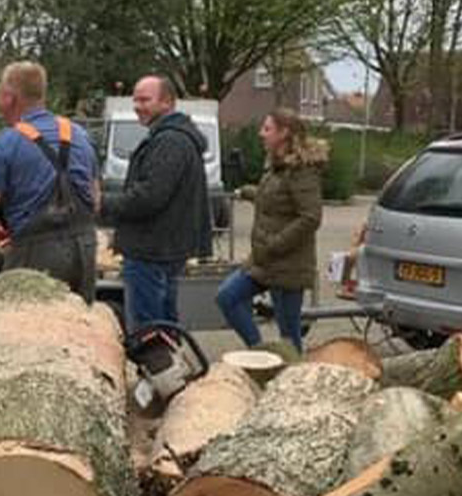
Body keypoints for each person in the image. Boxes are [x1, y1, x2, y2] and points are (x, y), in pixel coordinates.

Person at [0, 61, 99, 300]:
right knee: (78, 326)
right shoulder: (80, 135)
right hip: (85, 250)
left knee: (28, 328)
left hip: (36, 254)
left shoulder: (5, 144)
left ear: (9, 98)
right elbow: (95, 201)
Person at [104, 73, 210, 328]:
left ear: (167, 103)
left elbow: (150, 197)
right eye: (135, 100)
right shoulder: (171, 137)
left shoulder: (170, 141)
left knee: (148, 329)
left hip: (151, 250)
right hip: (162, 247)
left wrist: (103, 203)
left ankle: (158, 366)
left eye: (145, 100)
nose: (137, 106)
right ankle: (170, 361)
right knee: (164, 323)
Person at [216, 109, 324, 352]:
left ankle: (291, 377)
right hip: (264, 261)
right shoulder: (277, 166)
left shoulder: (301, 170)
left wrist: (275, 244)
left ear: (284, 133)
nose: (260, 133)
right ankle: (262, 355)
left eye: (267, 129)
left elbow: (311, 217)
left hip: (287, 265)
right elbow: (276, 200)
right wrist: (248, 192)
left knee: (289, 337)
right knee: (227, 297)